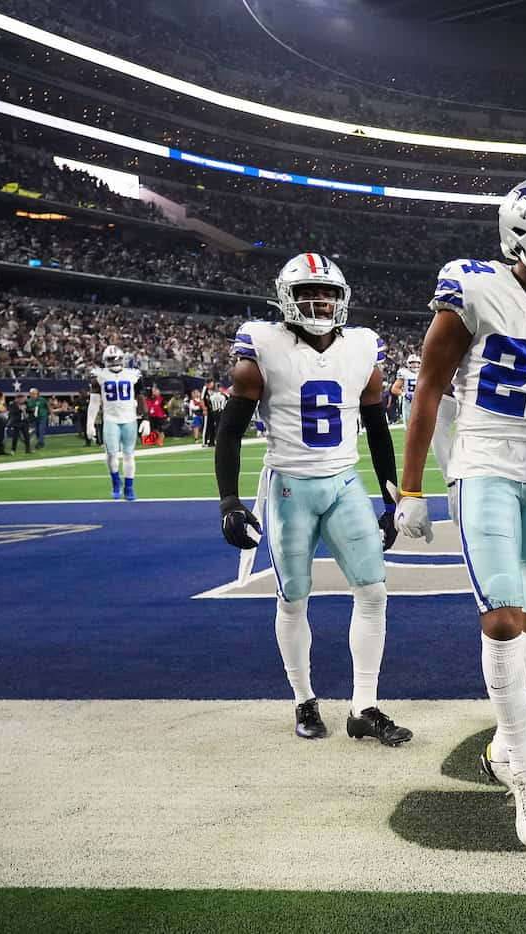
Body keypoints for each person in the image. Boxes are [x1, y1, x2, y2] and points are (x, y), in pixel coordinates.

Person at [396, 176, 526, 848]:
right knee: (502, 616)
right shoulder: (473, 287)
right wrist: (409, 489)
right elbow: (428, 389)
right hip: (484, 464)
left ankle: (504, 744)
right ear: (522, 230)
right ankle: (520, 767)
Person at [217, 253, 409, 746]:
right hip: (289, 488)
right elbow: (231, 431)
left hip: (345, 483)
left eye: (326, 292)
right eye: (307, 293)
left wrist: (393, 496)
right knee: (293, 598)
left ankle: (364, 705)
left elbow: (376, 425)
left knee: (373, 593)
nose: (318, 301)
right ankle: (304, 698)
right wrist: (229, 502)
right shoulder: (262, 344)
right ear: (286, 299)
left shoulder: (363, 346)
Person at [86, 345, 142, 500]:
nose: (115, 362)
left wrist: (145, 418)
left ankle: (129, 487)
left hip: (129, 418)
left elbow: (140, 397)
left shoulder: (133, 374)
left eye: (116, 358)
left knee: (129, 454)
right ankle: (116, 481)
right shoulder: (99, 375)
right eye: (111, 359)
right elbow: (95, 401)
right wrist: (89, 423)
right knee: (111, 453)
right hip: (110, 419)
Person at [391, 354, 421, 428]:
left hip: (421, 401)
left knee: (423, 426)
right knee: (409, 427)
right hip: (409, 402)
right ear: (408, 364)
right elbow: (394, 389)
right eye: (412, 363)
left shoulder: (423, 373)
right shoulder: (404, 373)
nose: (414, 365)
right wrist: (405, 394)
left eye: (416, 363)